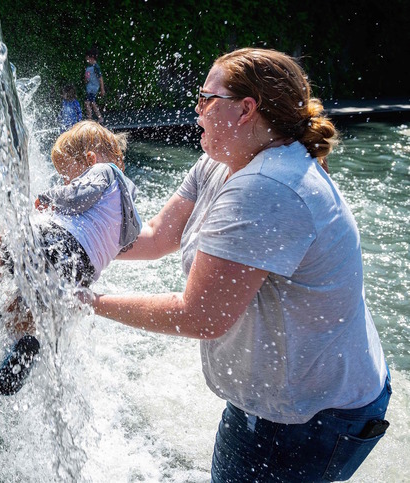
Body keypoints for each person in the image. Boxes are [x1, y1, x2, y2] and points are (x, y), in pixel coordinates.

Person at [86, 48, 390, 482]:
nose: (197, 109)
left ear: (247, 109)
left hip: (312, 418)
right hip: (278, 402)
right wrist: (70, 244)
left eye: (206, 98)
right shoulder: (221, 160)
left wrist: (88, 301)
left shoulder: (268, 187)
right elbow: (156, 235)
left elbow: (200, 315)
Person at [0, 121, 142, 396]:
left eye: (67, 176)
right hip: (80, 273)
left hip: (58, 245)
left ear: (89, 159)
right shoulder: (130, 211)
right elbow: (122, 244)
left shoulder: (102, 170)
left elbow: (80, 194)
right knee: (22, 303)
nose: (65, 182)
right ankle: (26, 342)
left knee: (0, 237)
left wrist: (49, 197)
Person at [84, 47, 105, 124]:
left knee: (87, 102)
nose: (86, 60)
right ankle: (99, 117)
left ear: (91, 58)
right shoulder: (89, 67)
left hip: (93, 88)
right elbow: (86, 80)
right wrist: (86, 79)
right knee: (92, 103)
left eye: (87, 58)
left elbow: (100, 78)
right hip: (89, 88)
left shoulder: (96, 67)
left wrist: (102, 89)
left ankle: (90, 118)